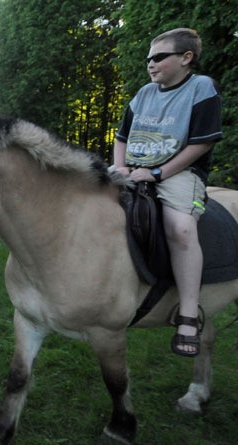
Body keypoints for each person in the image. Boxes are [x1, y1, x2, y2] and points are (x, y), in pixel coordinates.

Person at [113, 28, 222, 357]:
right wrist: (119, 168)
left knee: (180, 228)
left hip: (179, 173)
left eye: (159, 57)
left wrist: (159, 172)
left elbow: (202, 143)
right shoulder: (144, 93)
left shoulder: (201, 88)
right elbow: (121, 136)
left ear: (186, 58)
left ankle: (188, 313)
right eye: (148, 58)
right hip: (131, 167)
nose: (150, 63)